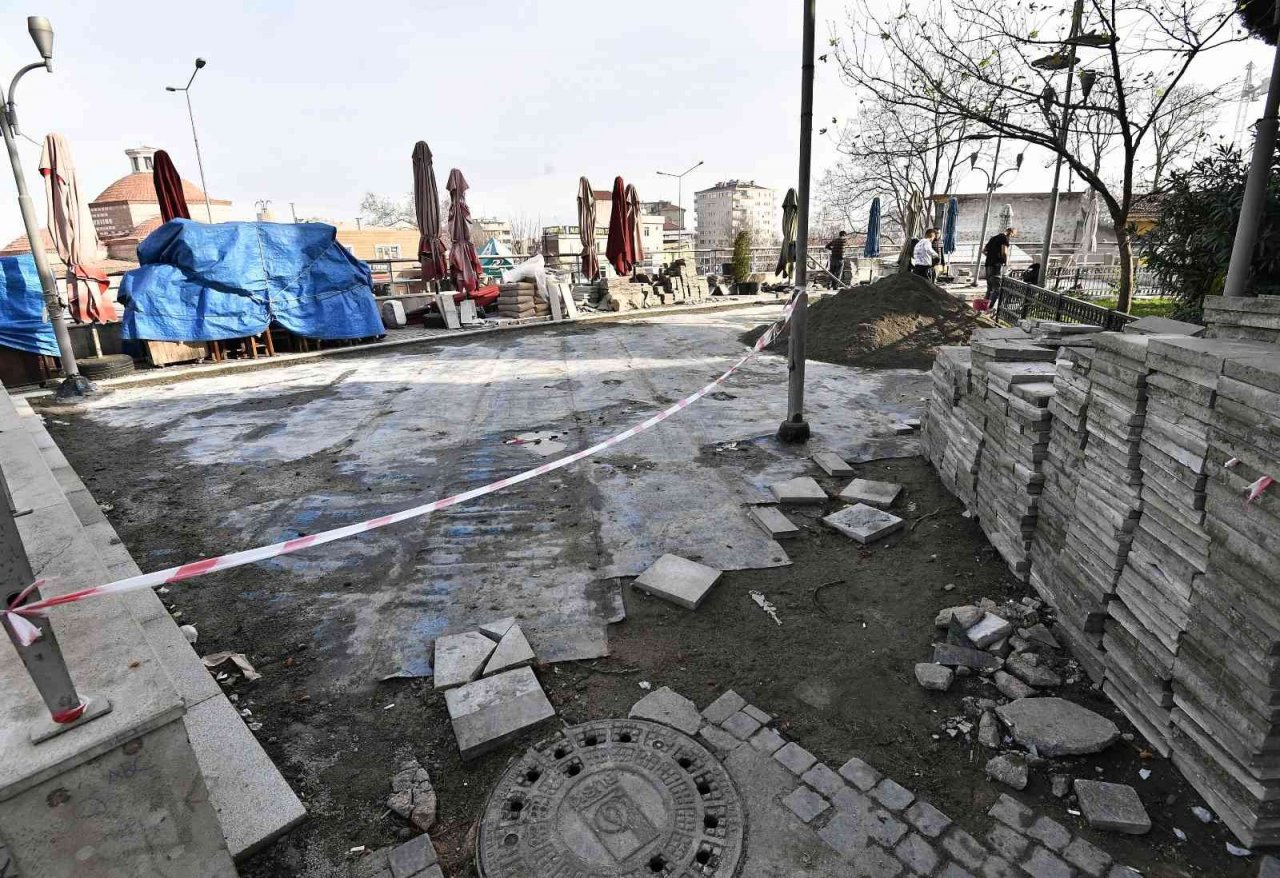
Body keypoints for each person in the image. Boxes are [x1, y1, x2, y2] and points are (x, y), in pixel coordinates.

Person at [984, 226, 1016, 307]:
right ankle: (990, 307)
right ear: (1011, 233)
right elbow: (1004, 252)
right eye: (1012, 236)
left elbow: (983, 251)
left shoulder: (993, 238)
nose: (1011, 237)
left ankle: (984, 306)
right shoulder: (1004, 238)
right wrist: (1006, 262)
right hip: (996, 266)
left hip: (988, 265)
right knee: (997, 289)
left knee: (989, 288)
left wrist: (991, 256)